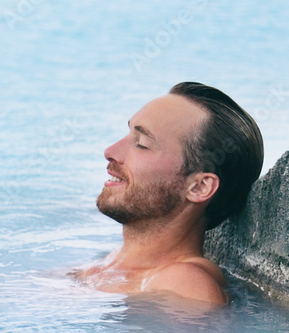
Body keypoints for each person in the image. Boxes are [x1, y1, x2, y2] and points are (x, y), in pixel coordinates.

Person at [71, 82, 264, 306]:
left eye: (142, 144)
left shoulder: (185, 285)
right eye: (128, 133)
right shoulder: (115, 262)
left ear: (199, 187)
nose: (110, 152)